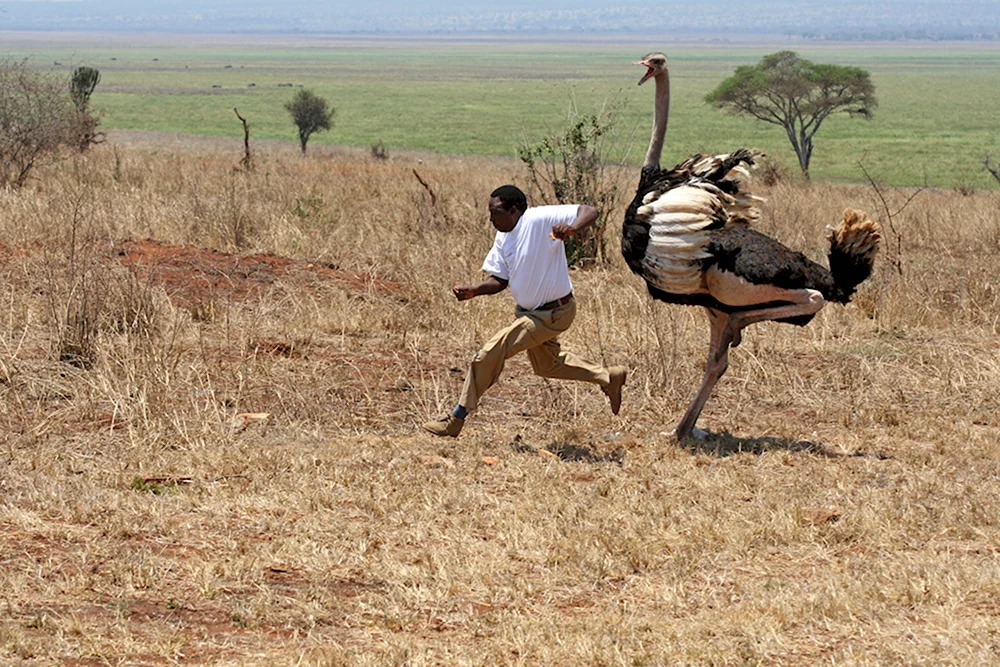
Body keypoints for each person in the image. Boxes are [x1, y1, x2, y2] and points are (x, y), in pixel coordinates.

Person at [422, 184, 627, 438]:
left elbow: (590, 211)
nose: (491, 219)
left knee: (487, 354)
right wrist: (475, 290)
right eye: (489, 212)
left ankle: (456, 418)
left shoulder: (538, 219)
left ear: (515, 210)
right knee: (548, 366)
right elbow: (500, 279)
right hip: (530, 314)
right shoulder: (503, 237)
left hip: (553, 313)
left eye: (496, 212)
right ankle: (608, 376)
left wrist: (571, 228)